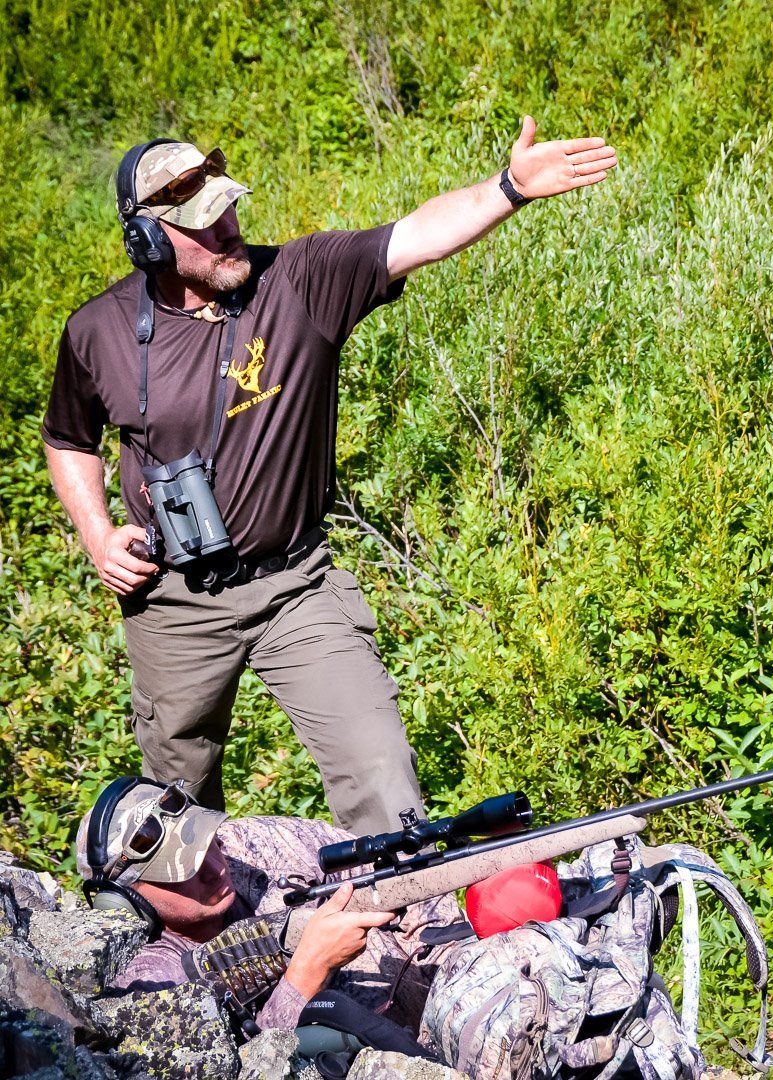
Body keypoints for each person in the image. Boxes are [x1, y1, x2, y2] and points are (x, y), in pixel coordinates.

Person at [42, 121, 617, 837]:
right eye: (199, 222)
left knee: (383, 777)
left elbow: (416, 235)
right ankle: (205, 933)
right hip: (174, 604)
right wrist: (97, 534)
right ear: (148, 241)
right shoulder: (97, 332)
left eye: (226, 206)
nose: (224, 227)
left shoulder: (301, 280)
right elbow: (69, 438)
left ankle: (402, 924)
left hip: (296, 587)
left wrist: (509, 189)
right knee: (178, 808)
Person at [76, 776, 469, 1032]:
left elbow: (400, 878)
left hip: (444, 1005)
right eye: (184, 870)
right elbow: (244, 1067)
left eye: (207, 843)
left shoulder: (253, 844)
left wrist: (453, 955)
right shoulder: (146, 983)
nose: (216, 868)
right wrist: (307, 972)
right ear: (125, 900)